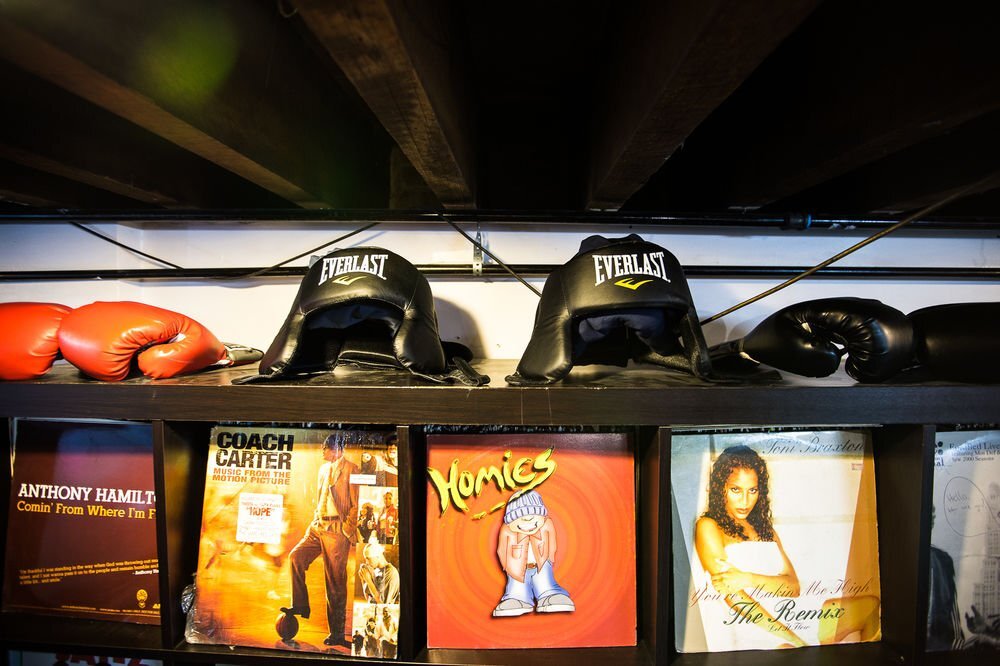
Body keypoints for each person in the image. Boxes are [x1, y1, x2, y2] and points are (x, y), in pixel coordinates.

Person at [694, 445, 805, 648]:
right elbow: (733, 596)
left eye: (752, 490)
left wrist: (747, 578)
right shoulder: (709, 526)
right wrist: (792, 638)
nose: (745, 501)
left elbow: (794, 587)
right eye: (736, 490)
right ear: (721, 488)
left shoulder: (766, 530)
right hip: (757, 626)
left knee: (864, 607)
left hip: (794, 614)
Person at [280, 434, 359, 648]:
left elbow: (356, 504)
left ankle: (337, 634)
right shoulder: (323, 470)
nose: (322, 451)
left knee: (335, 582)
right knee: (296, 557)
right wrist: (315, 518)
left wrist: (347, 529)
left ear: (336, 449)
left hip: (336, 529)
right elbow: (321, 496)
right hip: (318, 525)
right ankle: (300, 605)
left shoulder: (352, 469)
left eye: (325, 448)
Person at [492, 489, 575, 617]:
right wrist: (508, 567)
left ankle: (550, 595)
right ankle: (517, 599)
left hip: (541, 566)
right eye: (520, 518)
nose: (528, 522)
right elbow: (501, 551)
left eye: (533, 517)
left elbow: (552, 543)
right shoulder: (507, 532)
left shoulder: (547, 526)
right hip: (516, 570)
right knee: (516, 589)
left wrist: (549, 559)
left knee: (546, 584)